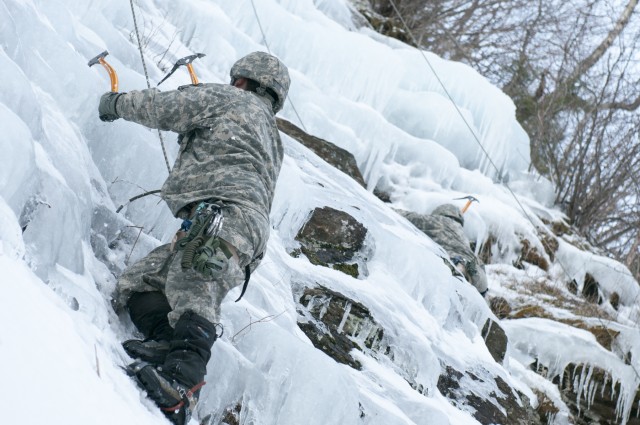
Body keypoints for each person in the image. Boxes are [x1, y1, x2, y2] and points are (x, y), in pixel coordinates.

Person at [97, 51, 290, 424]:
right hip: (229, 223)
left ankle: (181, 386)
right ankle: (168, 345)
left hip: (226, 215)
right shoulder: (272, 134)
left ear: (245, 80)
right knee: (141, 283)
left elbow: (167, 108)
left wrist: (116, 104)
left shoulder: (231, 100)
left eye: (238, 79)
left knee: (195, 281)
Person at [396, 204, 488, 296]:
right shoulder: (461, 234)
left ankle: (460, 271)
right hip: (478, 274)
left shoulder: (439, 221)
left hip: (453, 263)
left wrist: (383, 206)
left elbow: (408, 217)